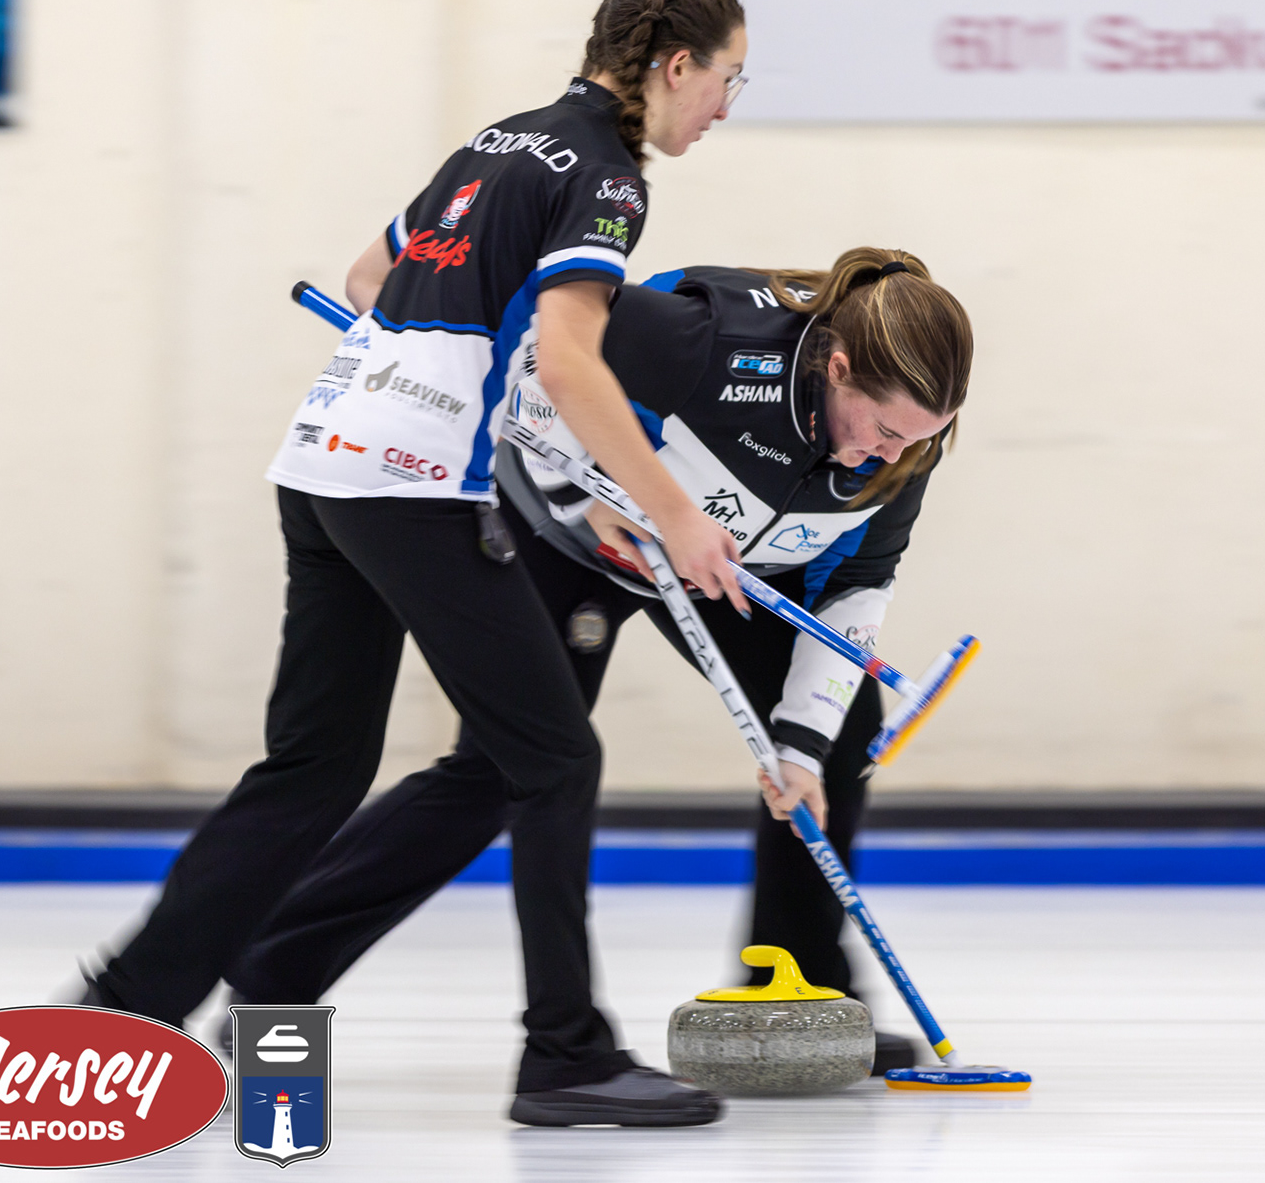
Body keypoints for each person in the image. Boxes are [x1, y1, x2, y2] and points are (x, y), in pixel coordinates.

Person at [75, 0, 748, 1129]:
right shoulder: (607, 177)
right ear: (674, 65)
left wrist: (440, 369)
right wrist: (678, 513)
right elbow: (571, 360)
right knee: (551, 757)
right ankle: (566, 1057)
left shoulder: (500, 141)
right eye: (729, 78)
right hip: (409, 484)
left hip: (323, 462)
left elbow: (368, 276)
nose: (727, 107)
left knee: (315, 769)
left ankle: (124, 1015)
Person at [219, 249, 972, 1089]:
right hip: (564, 532)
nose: (886, 457)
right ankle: (274, 969)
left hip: (716, 560)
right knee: (507, 768)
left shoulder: (905, 451)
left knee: (835, 735)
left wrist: (800, 749)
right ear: (838, 369)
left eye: (918, 440)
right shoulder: (708, 342)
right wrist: (591, 499)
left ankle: (794, 990)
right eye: (884, 431)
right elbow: (541, 356)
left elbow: (855, 589)